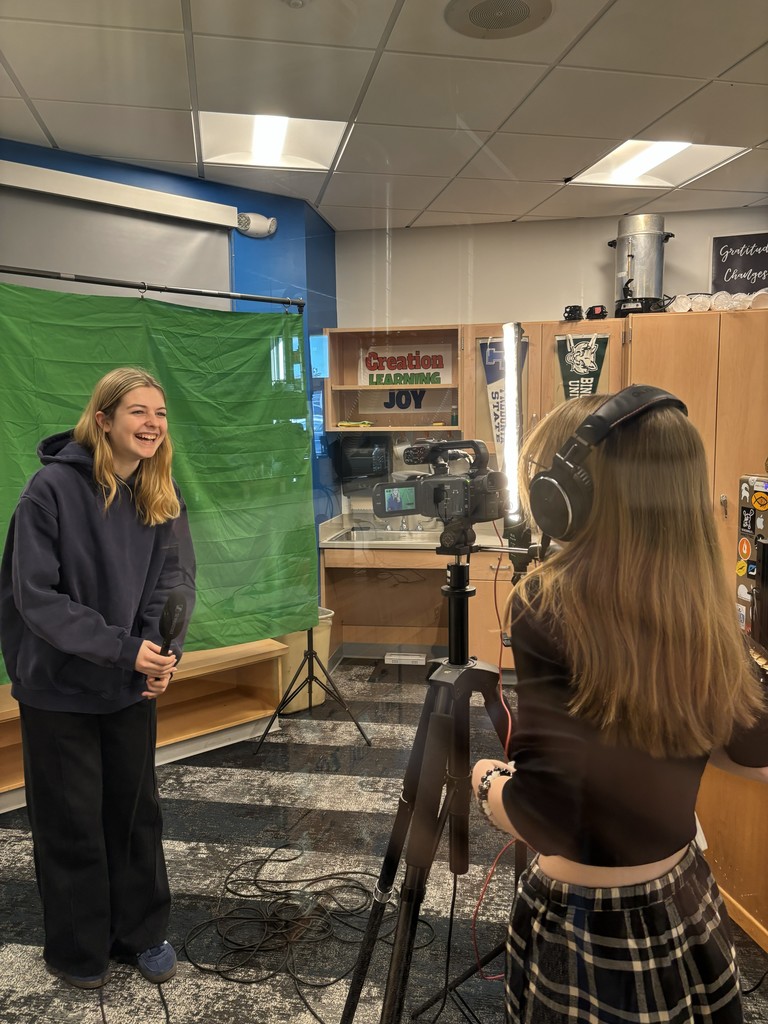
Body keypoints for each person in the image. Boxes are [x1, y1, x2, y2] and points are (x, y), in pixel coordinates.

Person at [471, 388, 768, 1024]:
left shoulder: (545, 603)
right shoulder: (703, 605)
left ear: (569, 499)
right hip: (685, 899)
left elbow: (547, 817)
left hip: (586, 925)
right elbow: (753, 754)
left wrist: (486, 784)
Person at [0, 367, 196, 990]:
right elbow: (37, 598)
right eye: (138, 412)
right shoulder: (49, 491)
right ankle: (80, 949)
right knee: (71, 820)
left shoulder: (160, 492)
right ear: (103, 419)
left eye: (160, 414)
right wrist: (122, 648)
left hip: (128, 683)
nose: (152, 424)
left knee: (137, 815)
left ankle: (140, 932)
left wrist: (161, 652)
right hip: (58, 689)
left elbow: (175, 582)